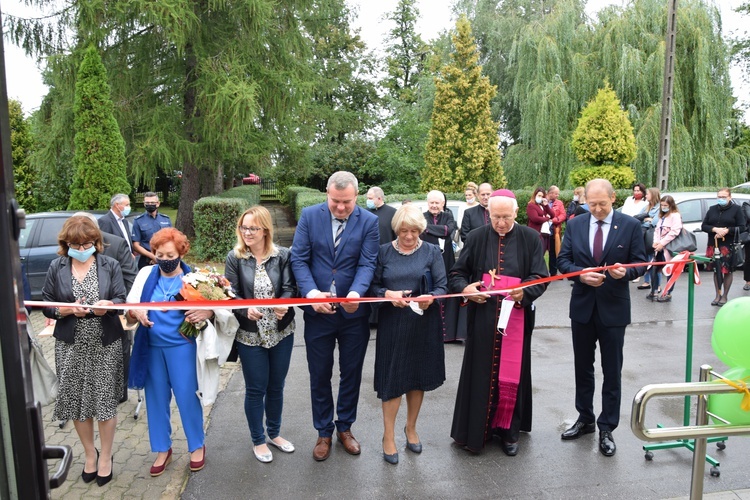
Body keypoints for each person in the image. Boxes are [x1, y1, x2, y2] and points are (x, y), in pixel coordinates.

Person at [450, 190, 548, 456]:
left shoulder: (531, 237)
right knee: (481, 372)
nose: (501, 223)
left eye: (506, 217)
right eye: (496, 217)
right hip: (482, 318)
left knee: (512, 374)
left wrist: (525, 292)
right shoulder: (477, 236)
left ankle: (509, 432)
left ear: (516, 213)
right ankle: (476, 431)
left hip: (516, 316)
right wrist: (467, 288)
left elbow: (541, 275)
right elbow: (457, 273)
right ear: (488, 214)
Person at [290, 171, 379, 461]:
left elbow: (367, 262)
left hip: (353, 313)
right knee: (319, 373)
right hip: (318, 312)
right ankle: (323, 431)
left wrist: (355, 293)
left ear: (357, 196)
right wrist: (312, 294)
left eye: (347, 202)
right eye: (335, 201)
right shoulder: (309, 216)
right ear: (327, 193)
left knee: (351, 373)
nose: (340, 208)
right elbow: (299, 258)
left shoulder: (369, 221)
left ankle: (345, 427)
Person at [557, 179, 646, 457]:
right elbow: (563, 261)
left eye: (602, 204)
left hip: (613, 309)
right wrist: (580, 275)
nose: (596, 209)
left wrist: (626, 273)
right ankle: (585, 419)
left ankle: (607, 426)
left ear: (613, 198)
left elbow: (640, 262)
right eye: (591, 204)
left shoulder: (630, 226)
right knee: (582, 367)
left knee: (611, 370)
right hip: (583, 308)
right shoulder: (575, 224)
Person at [41, 215, 126, 486]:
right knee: (77, 403)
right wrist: (63, 310)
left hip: (104, 342)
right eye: (75, 245)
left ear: (96, 242)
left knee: (104, 402)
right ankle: (91, 454)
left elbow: (121, 299)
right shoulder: (57, 266)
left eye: (86, 243)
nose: (81, 249)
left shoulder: (109, 264)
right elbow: (45, 304)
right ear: (66, 244)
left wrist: (107, 306)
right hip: (70, 344)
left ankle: (106, 457)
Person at [125, 228, 218, 476]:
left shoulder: (194, 278)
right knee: (155, 400)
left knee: (187, 397)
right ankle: (162, 449)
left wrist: (207, 312)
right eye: (159, 254)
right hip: (151, 348)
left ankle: (197, 445)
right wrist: (136, 312)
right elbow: (130, 308)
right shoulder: (145, 274)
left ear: (181, 252)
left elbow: (217, 309)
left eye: (170, 254)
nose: (165, 259)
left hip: (183, 348)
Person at [369, 204, 448, 464]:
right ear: (396, 230)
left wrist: (431, 298)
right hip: (393, 324)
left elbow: (442, 286)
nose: (409, 236)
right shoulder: (383, 253)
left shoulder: (432, 252)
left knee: (417, 378)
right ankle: (388, 436)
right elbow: (373, 286)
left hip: (423, 324)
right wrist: (386, 294)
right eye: (404, 231)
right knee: (393, 381)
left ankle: (411, 428)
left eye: (414, 231)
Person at [225, 206, 297, 464]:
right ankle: (258, 439)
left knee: (276, 386)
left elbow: (290, 287)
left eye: (253, 228)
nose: (247, 233)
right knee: (256, 389)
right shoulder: (234, 257)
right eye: (244, 227)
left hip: (281, 331)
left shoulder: (283, 255)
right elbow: (230, 294)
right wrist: (245, 308)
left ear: (265, 229)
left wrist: (284, 303)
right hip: (250, 335)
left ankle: (274, 434)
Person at [76, 211, 138, 404]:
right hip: (80, 319)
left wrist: (121, 308)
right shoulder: (70, 247)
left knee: (120, 352)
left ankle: (119, 393)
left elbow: (131, 278)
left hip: (113, 316)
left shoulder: (116, 244)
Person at [421, 190, 461, 342]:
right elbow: (422, 229)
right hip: (427, 259)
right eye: (431, 202)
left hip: (446, 260)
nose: (434, 205)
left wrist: (428, 228)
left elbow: (448, 230)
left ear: (442, 203)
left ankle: (446, 333)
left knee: (445, 289)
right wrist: (436, 230)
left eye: (437, 203)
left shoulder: (448, 216)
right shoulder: (422, 216)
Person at [701, 188, 747, 306]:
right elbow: (704, 225)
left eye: (724, 197)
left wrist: (727, 230)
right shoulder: (712, 209)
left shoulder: (736, 209)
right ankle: (718, 294)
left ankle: (725, 296)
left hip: (728, 244)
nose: (721, 199)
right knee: (716, 270)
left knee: (727, 270)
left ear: (729, 197)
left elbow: (742, 227)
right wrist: (715, 229)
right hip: (714, 244)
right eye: (719, 197)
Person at [648, 195, 682, 303]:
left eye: (665, 205)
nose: (663, 207)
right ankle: (654, 290)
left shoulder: (675, 216)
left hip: (669, 248)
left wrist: (662, 243)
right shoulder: (662, 216)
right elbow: (657, 230)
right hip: (659, 247)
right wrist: (656, 242)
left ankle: (668, 293)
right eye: (662, 205)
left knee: (669, 271)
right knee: (654, 268)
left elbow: (674, 232)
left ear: (671, 205)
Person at [132, 191, 172, 269]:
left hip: (165, 258)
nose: (150, 205)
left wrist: (160, 256)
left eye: (152, 202)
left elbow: (171, 240)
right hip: (146, 260)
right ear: (144, 204)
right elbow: (136, 245)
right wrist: (153, 257)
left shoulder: (166, 219)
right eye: (147, 203)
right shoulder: (138, 221)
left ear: (158, 203)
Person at [636, 187, 661, 291]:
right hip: (643, 235)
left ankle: (657, 285)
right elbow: (637, 219)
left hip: (653, 235)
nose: (645, 196)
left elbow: (655, 222)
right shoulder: (646, 207)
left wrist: (646, 219)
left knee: (653, 260)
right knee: (645, 258)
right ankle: (646, 282)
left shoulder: (660, 207)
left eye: (647, 194)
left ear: (653, 195)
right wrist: (647, 219)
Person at [526, 187, 554, 252]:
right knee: (536, 253)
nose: (540, 197)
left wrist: (546, 205)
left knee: (542, 253)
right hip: (536, 233)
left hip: (545, 232)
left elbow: (552, 215)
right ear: (535, 195)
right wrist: (547, 218)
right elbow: (535, 218)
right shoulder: (531, 205)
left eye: (542, 196)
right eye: (539, 195)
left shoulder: (542, 206)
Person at [546, 185, 566, 276]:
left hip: (554, 230)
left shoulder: (559, 203)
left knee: (553, 252)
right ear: (550, 193)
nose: (558, 195)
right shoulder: (542, 201)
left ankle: (553, 273)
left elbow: (563, 215)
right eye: (556, 193)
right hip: (542, 231)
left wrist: (553, 220)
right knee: (540, 251)